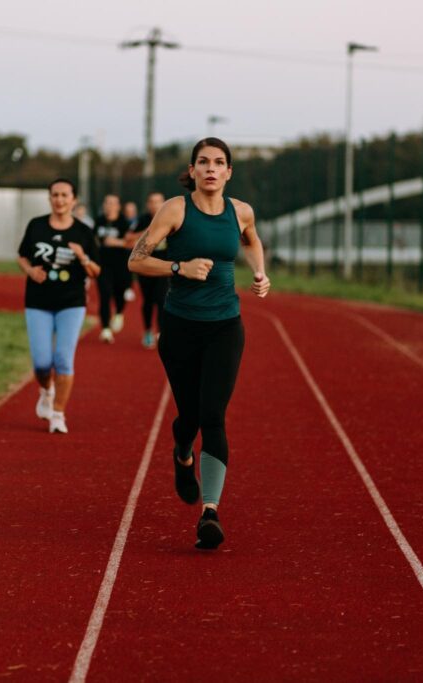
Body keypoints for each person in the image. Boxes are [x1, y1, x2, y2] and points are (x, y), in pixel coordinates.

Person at [128, 138, 270, 550]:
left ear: (228, 172)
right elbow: (136, 259)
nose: (211, 168)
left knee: (213, 414)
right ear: (192, 170)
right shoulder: (175, 209)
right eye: (203, 162)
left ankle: (210, 512)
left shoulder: (240, 211)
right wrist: (179, 266)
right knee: (188, 415)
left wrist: (259, 273)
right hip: (181, 327)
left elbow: (251, 240)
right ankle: (182, 453)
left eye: (219, 162)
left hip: (226, 326)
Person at [17, 178, 101, 434]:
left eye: (65, 195)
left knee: (63, 359)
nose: (60, 200)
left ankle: (58, 414)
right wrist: (30, 270)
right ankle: (46, 390)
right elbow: (21, 256)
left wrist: (82, 256)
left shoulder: (83, 233)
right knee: (42, 363)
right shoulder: (37, 226)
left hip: (71, 303)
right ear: (49, 198)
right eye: (55, 195)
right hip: (38, 302)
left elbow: (95, 271)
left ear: (74, 200)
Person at [125, 191, 168, 348]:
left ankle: (161, 333)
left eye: (158, 201)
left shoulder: (170, 218)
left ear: (164, 203)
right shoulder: (142, 220)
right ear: (147, 204)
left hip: (164, 266)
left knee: (162, 298)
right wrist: (149, 230)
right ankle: (148, 331)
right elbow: (128, 238)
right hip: (146, 266)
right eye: (152, 201)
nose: (155, 205)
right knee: (148, 300)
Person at [93, 194, 131, 343]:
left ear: (118, 206)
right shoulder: (99, 221)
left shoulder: (124, 223)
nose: (109, 206)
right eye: (107, 203)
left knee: (119, 295)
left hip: (121, 265)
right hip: (103, 265)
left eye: (113, 203)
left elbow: (132, 243)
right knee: (104, 295)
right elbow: (93, 239)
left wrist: (116, 242)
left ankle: (119, 312)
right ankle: (106, 329)